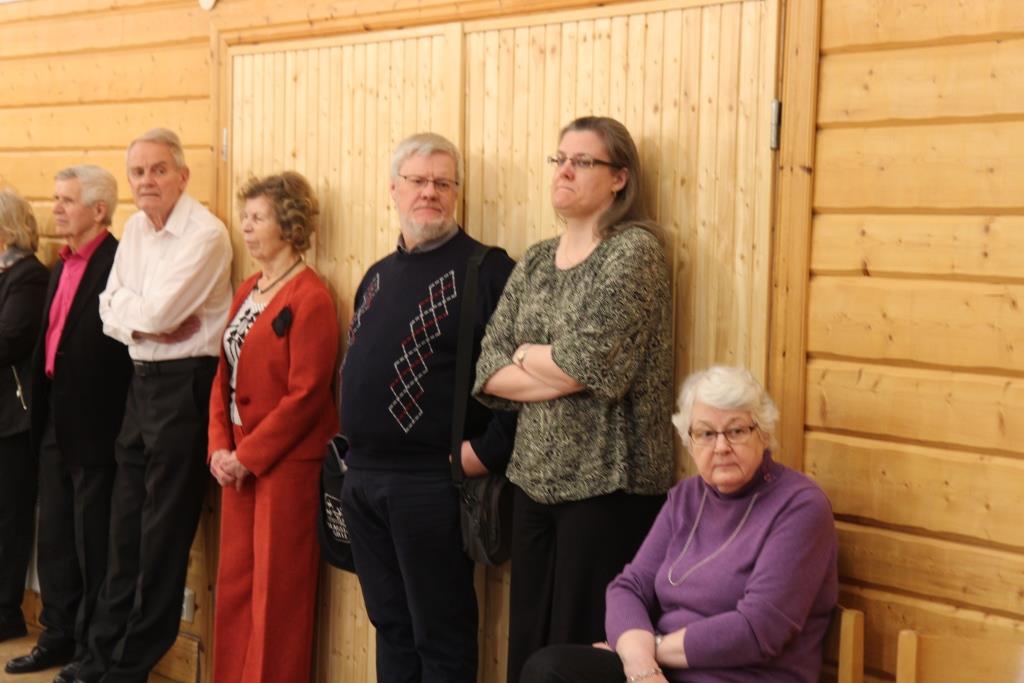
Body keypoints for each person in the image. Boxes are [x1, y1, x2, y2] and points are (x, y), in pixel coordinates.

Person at [473, 115, 675, 682]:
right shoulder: (537, 259)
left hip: (609, 485)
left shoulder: (634, 252)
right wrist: (552, 364)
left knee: (577, 652)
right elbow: (488, 366)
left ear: (619, 178)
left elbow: (591, 363)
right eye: (559, 159)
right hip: (532, 480)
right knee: (528, 647)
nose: (564, 171)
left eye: (582, 161)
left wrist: (527, 356)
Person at [521, 366, 839, 683]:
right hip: (663, 671)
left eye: (737, 431)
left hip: (741, 677)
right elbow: (629, 587)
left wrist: (649, 653)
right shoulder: (687, 497)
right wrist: (639, 662)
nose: (721, 447)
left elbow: (759, 629)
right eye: (706, 433)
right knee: (548, 669)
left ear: (764, 434)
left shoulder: (800, 507)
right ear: (690, 441)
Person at [339, 132, 516, 683]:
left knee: (440, 638)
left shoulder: (487, 271)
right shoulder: (376, 275)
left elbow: (520, 382)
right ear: (394, 189)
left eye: (443, 182)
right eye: (417, 181)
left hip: (431, 484)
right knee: (391, 628)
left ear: (457, 192)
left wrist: (483, 454)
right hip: (362, 481)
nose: (430, 192)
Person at [75, 128, 232, 683]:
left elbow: (161, 314)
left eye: (159, 170)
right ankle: (98, 656)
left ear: (182, 176)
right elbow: (108, 308)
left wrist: (140, 319)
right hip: (139, 387)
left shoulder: (206, 235)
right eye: (138, 172)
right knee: (123, 534)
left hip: (186, 387)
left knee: (162, 539)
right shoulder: (137, 230)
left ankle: (128, 667)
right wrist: (142, 324)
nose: (147, 181)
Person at [207, 172, 339, 683]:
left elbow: (307, 395)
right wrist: (220, 448)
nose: (245, 226)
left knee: (277, 594)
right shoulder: (248, 288)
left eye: (257, 217)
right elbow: (223, 375)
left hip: (284, 465)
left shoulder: (311, 297)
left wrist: (248, 456)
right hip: (237, 460)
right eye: (245, 217)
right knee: (236, 587)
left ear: (289, 225)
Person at [4, 167, 132, 683]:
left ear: (99, 210)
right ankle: (56, 635)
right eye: (55, 198)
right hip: (54, 413)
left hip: (97, 419)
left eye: (67, 201)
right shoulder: (62, 263)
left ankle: (92, 647)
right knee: (55, 535)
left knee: (92, 541)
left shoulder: (117, 261)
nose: (55, 208)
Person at [0, 189, 48, 643]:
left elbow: (10, 339)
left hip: (13, 420)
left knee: (9, 519)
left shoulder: (29, 276)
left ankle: (5, 613)